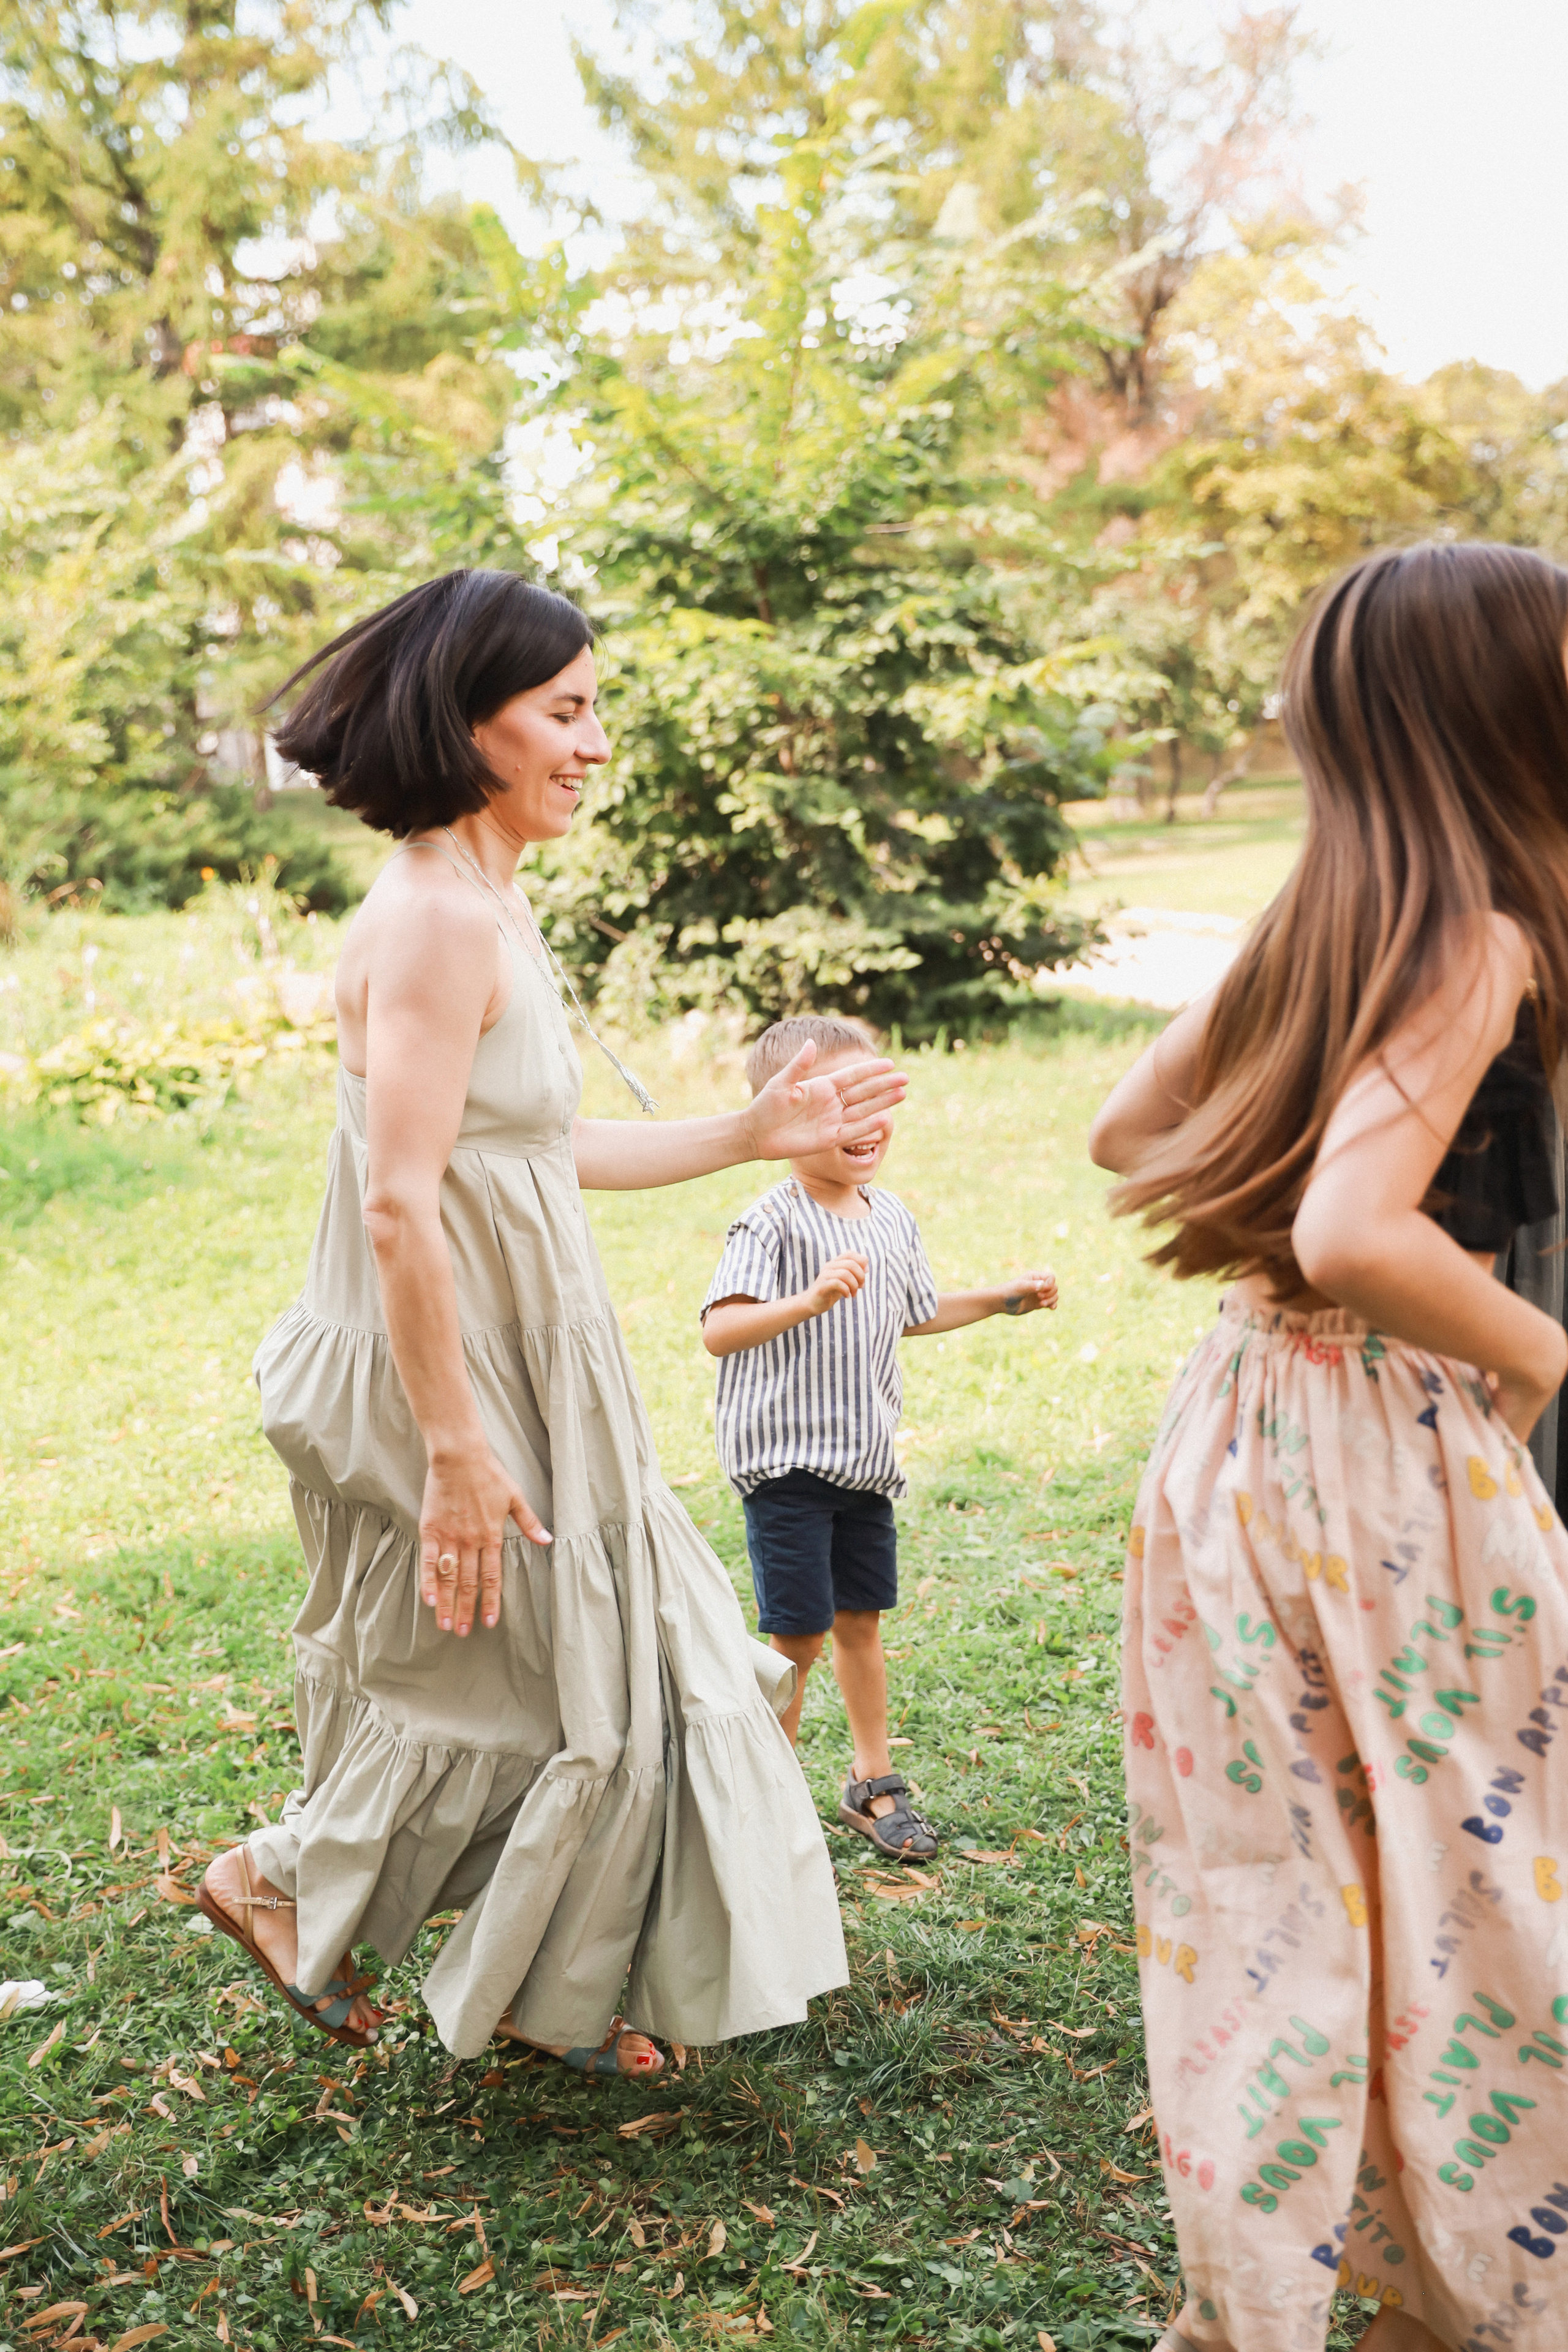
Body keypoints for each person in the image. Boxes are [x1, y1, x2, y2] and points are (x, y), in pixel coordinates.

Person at [198, 570, 910, 2074]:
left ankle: (542, 1986)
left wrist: (749, 1131)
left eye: (598, 711)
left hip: (531, 1345)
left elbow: (527, 1152)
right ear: (470, 724)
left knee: (600, 1665)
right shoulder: (438, 915)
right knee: (540, 1676)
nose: (594, 745)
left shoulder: (487, 898)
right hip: (451, 1364)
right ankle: (288, 1881)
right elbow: (399, 1201)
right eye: (566, 712)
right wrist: (454, 1446)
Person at [1087, 541, 1568, 2352]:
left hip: (1238, 1430)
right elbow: (1356, 1233)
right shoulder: (1485, 934)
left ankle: (1283, 2300)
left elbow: (1130, 1131)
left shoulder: (1322, 920)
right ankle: (1484, 2285)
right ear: (1509, 703)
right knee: (1479, 1882)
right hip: (1381, 1443)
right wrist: (1536, 1350)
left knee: (1285, 1890)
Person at [701, 1014, 1058, 1861]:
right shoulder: (773, 1221)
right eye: (836, 1105)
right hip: (786, 1463)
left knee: (860, 1622)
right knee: (798, 1635)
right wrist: (809, 1302)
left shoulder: (890, 1217)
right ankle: (765, 1790)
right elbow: (722, 1329)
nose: (863, 1124)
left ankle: (871, 1778)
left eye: (873, 1100)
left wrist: (1003, 1299)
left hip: (865, 1466)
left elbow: (915, 1312)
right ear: (782, 1118)